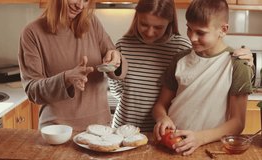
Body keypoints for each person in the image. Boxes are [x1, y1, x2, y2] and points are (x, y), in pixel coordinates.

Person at [108, 0, 253, 132]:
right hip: (129, 127)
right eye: (144, 24)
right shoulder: (124, 45)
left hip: (165, 131)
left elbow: (237, 121)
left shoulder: (181, 48)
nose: (192, 37)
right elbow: (118, 89)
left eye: (158, 27)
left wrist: (247, 64)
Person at [153, 0, 253, 156]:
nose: (192, 37)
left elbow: (238, 123)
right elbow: (160, 105)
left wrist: (199, 138)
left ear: (223, 30)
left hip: (208, 147)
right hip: (171, 143)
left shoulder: (238, 64)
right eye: (189, 29)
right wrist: (162, 118)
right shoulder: (179, 60)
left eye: (200, 32)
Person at [18, 0, 128, 131]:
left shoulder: (92, 23)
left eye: (86, 0)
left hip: (99, 128)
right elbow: (32, 90)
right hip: (57, 130)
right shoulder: (32, 33)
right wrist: (65, 79)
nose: (80, 6)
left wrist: (116, 59)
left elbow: (115, 59)